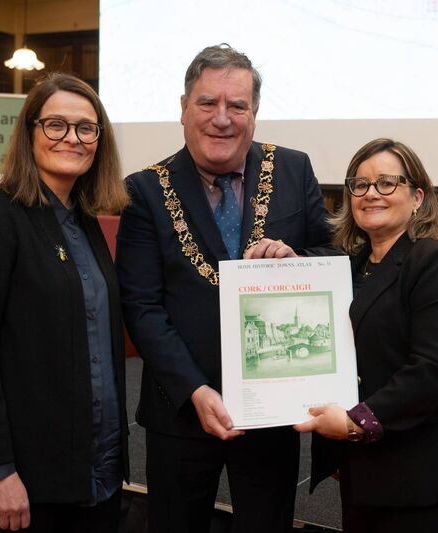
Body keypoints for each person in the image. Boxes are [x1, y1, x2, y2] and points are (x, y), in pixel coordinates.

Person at [115, 44, 334, 533]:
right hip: (181, 410)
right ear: (183, 108)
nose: (222, 119)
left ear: (254, 114)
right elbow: (142, 306)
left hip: (274, 408)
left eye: (237, 106)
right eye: (207, 103)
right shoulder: (144, 191)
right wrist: (195, 389)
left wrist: (298, 261)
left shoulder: (294, 169)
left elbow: (334, 258)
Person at [0, 73, 130, 532]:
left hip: (96, 472)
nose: (72, 138)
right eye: (56, 125)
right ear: (30, 132)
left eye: (86, 128)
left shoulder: (86, 223)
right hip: (26, 480)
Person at [295, 138, 438, 532]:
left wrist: (353, 423)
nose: (371, 194)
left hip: (425, 472)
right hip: (366, 468)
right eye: (360, 184)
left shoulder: (436, 264)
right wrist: (284, 265)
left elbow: (432, 370)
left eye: (387, 182)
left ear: (417, 197)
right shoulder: (351, 269)